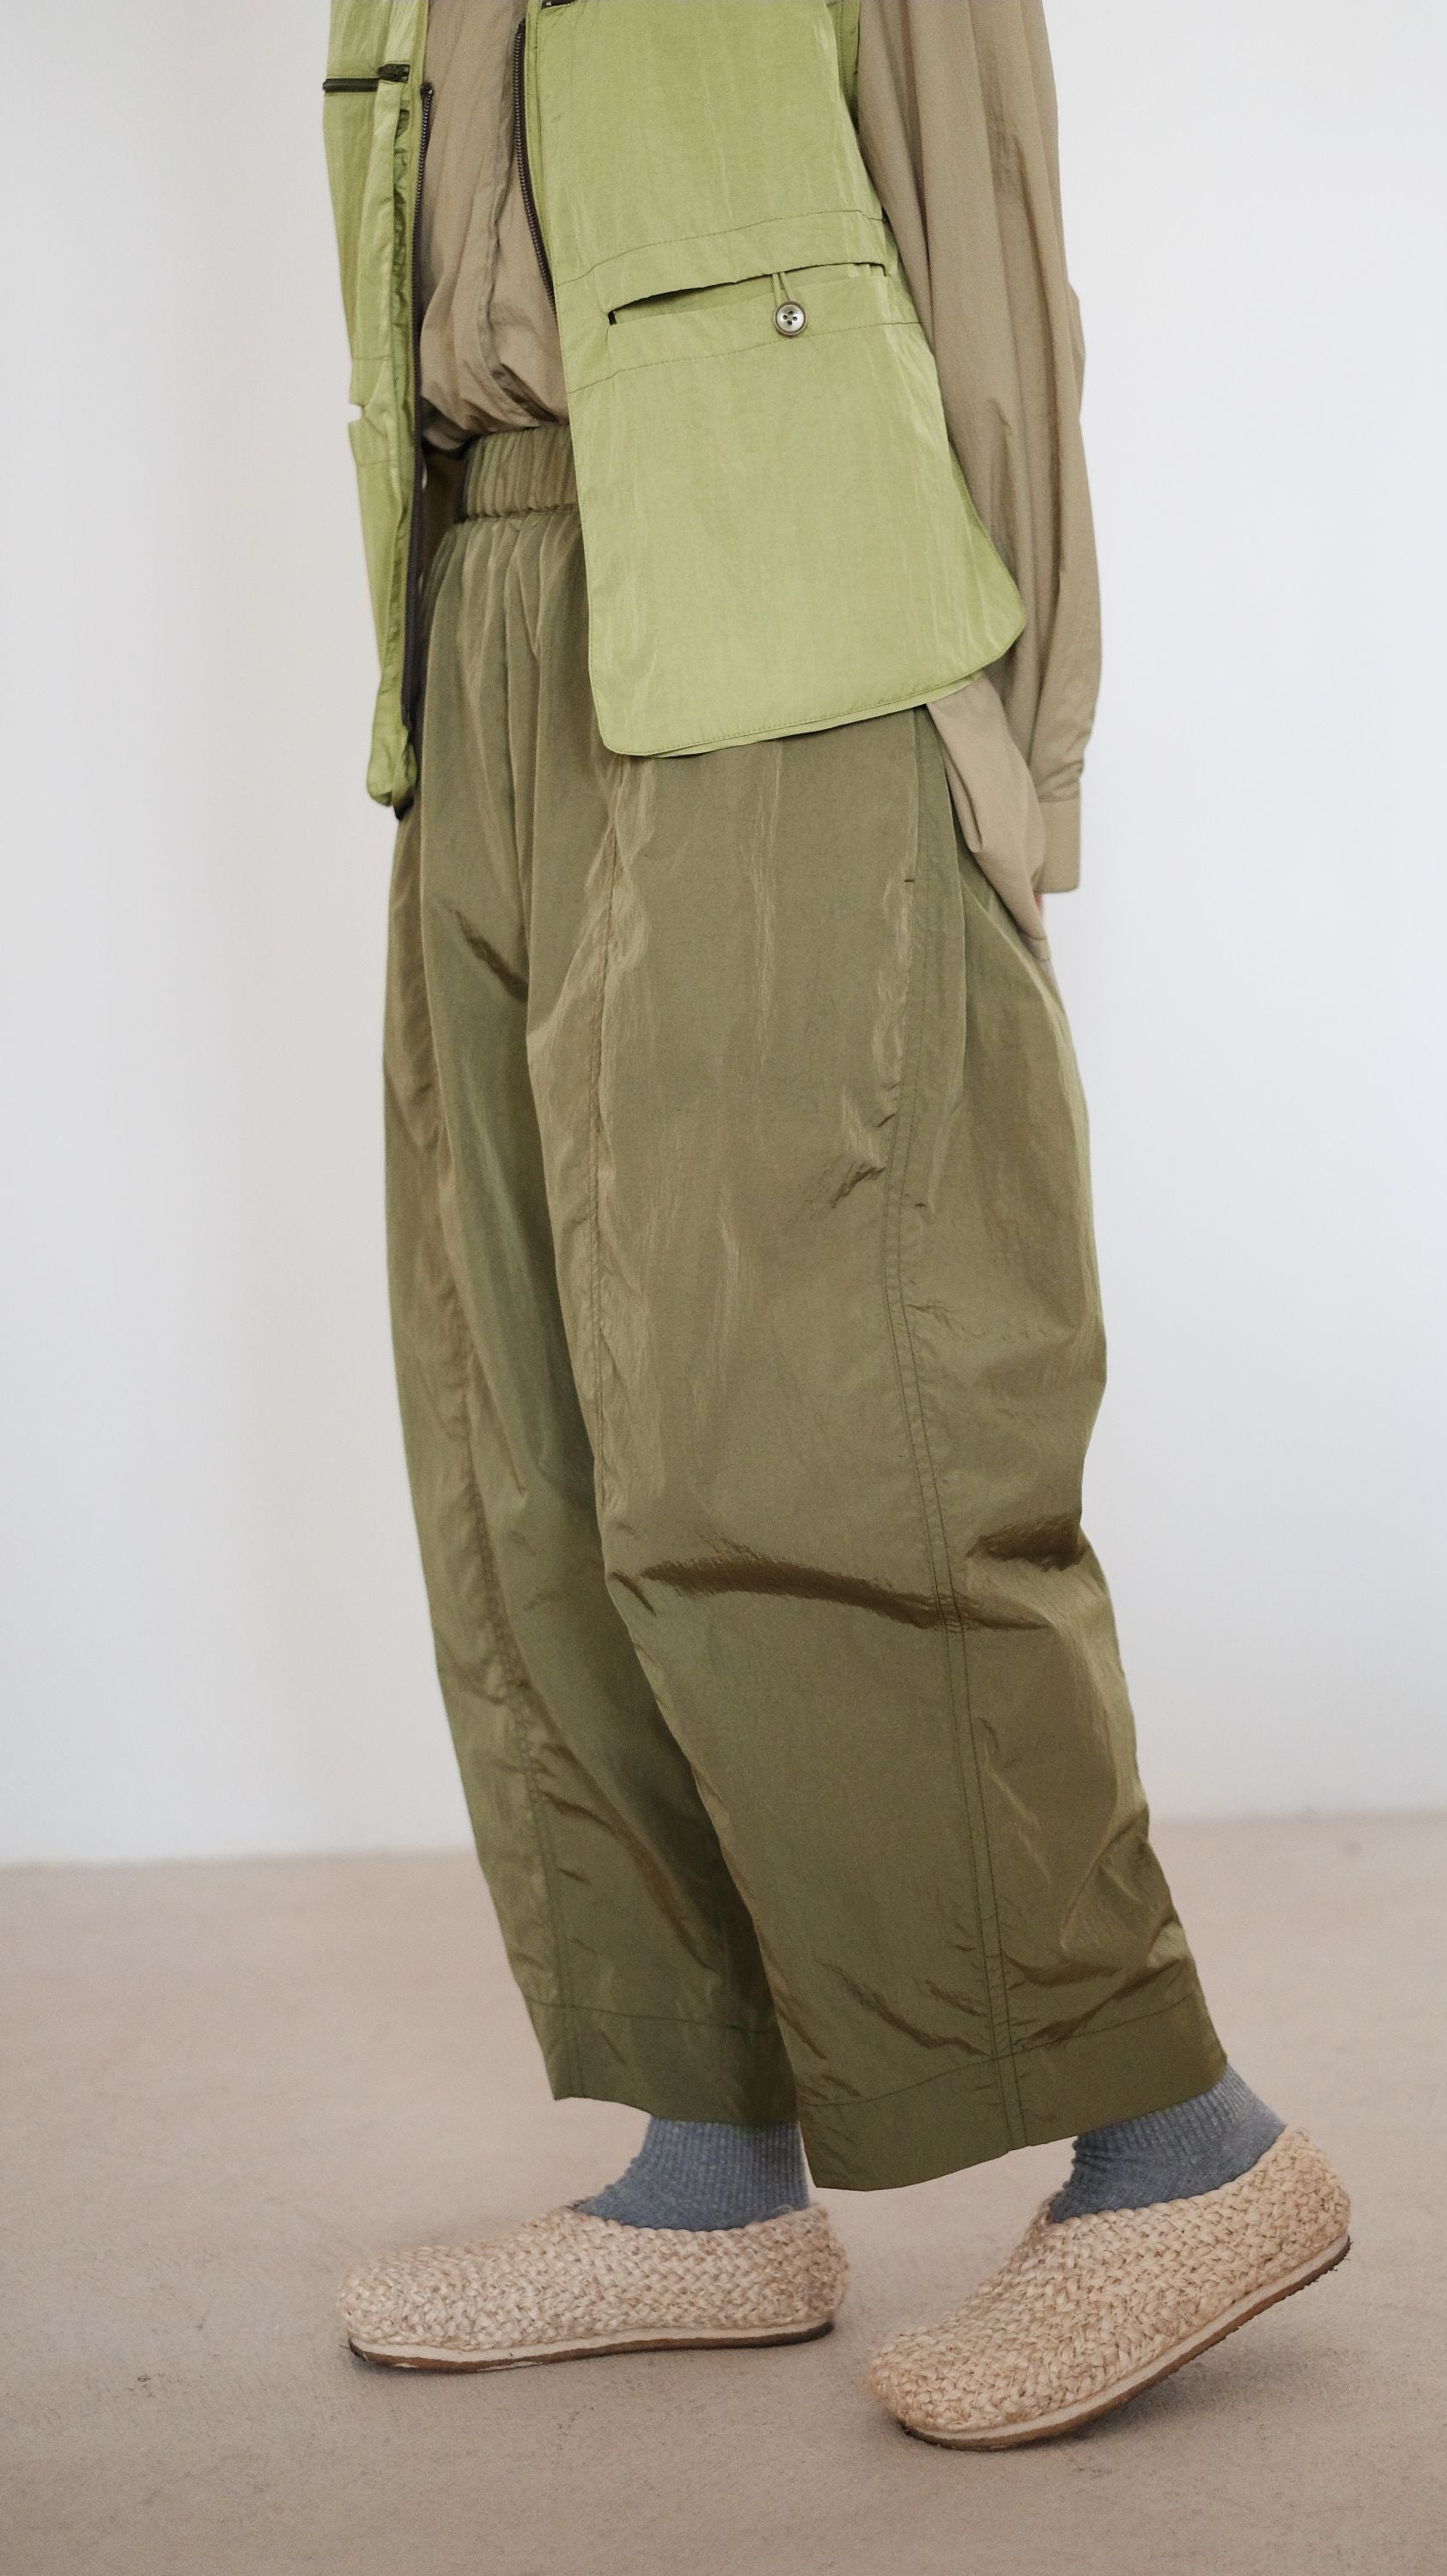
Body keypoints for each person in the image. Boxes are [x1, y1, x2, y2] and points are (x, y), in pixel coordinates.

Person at [324, 0, 1349, 2449]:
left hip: (801, 628)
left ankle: (1178, 2144)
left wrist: (1022, 747)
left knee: (830, 1416)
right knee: (539, 1436)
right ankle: (709, 2175)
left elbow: (986, 241)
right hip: (492, 614)